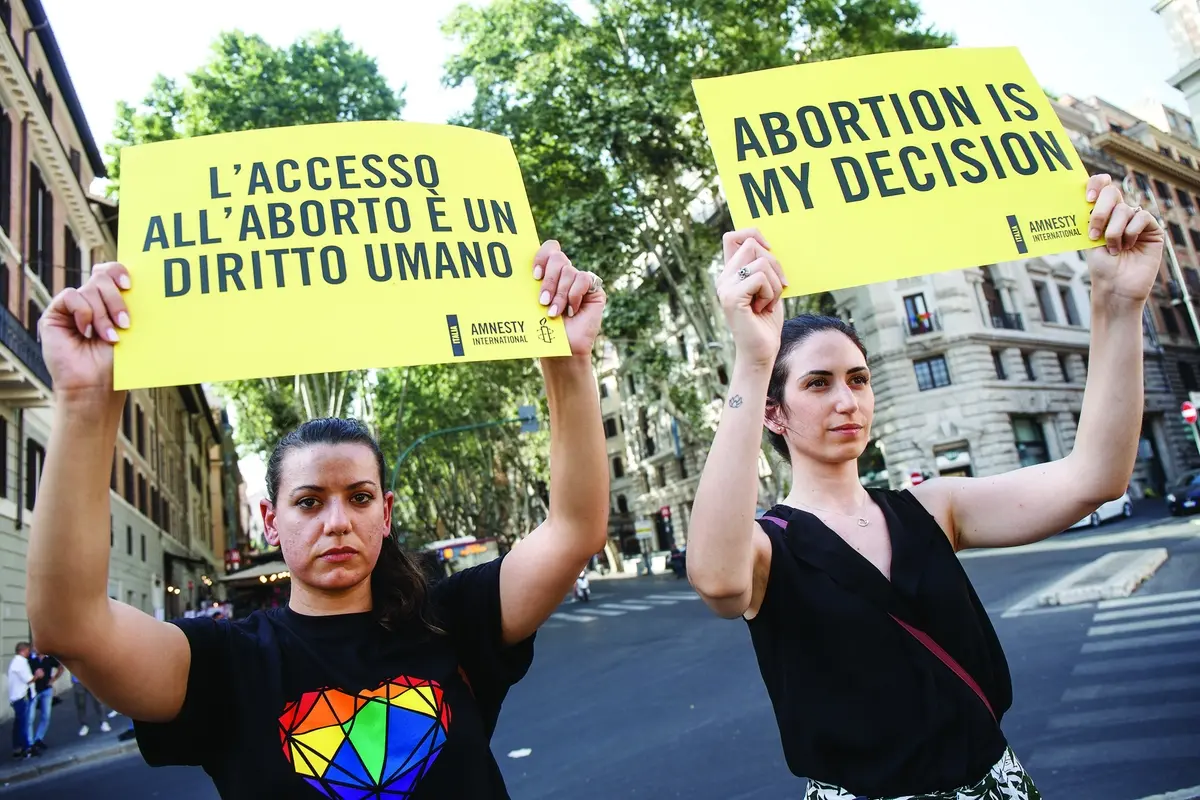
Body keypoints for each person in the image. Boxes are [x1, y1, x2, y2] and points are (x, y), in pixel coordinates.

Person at [25, 239, 610, 798]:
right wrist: (82, 402)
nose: (337, 521)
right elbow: (69, 627)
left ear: (386, 512)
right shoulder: (223, 664)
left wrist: (569, 360)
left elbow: (574, 530)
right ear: (270, 520)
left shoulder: (454, 620)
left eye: (359, 497)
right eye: (309, 502)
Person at [685, 174, 1162, 800]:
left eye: (858, 379)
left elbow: (1095, 477)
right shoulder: (768, 549)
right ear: (774, 413)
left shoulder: (934, 507)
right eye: (818, 383)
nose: (847, 400)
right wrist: (752, 357)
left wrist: (1117, 300)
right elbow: (718, 580)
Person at [7, 642, 41, 758]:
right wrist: (37, 675)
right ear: (23, 650)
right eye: (28, 650)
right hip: (20, 697)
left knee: (18, 724)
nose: (29, 652)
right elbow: (29, 680)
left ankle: (17, 748)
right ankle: (27, 749)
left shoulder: (15, 662)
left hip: (16, 697)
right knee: (23, 724)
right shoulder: (20, 663)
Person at [26, 646, 63, 753]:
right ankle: (30, 743)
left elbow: (61, 667)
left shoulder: (49, 658)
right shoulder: (30, 659)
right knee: (30, 718)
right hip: (34, 691)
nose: (34, 649)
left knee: (46, 716)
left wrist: (53, 679)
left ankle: (38, 738)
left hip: (46, 690)